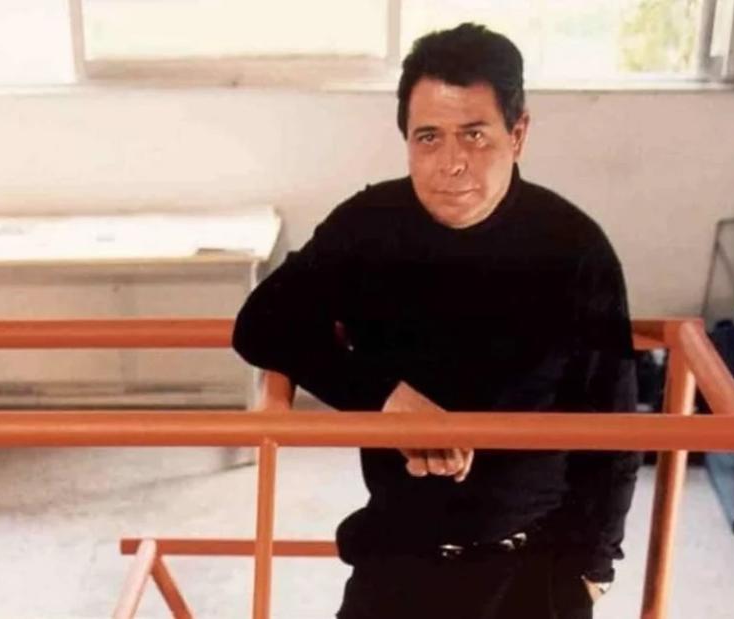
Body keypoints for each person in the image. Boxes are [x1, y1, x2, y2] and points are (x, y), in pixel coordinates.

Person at [232, 22, 639, 619]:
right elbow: (261, 323)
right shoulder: (369, 226)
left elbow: (616, 424)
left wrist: (593, 571)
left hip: (535, 568)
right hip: (397, 557)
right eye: (429, 138)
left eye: (474, 135)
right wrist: (385, 399)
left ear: (517, 133)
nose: (452, 164)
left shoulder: (574, 248)